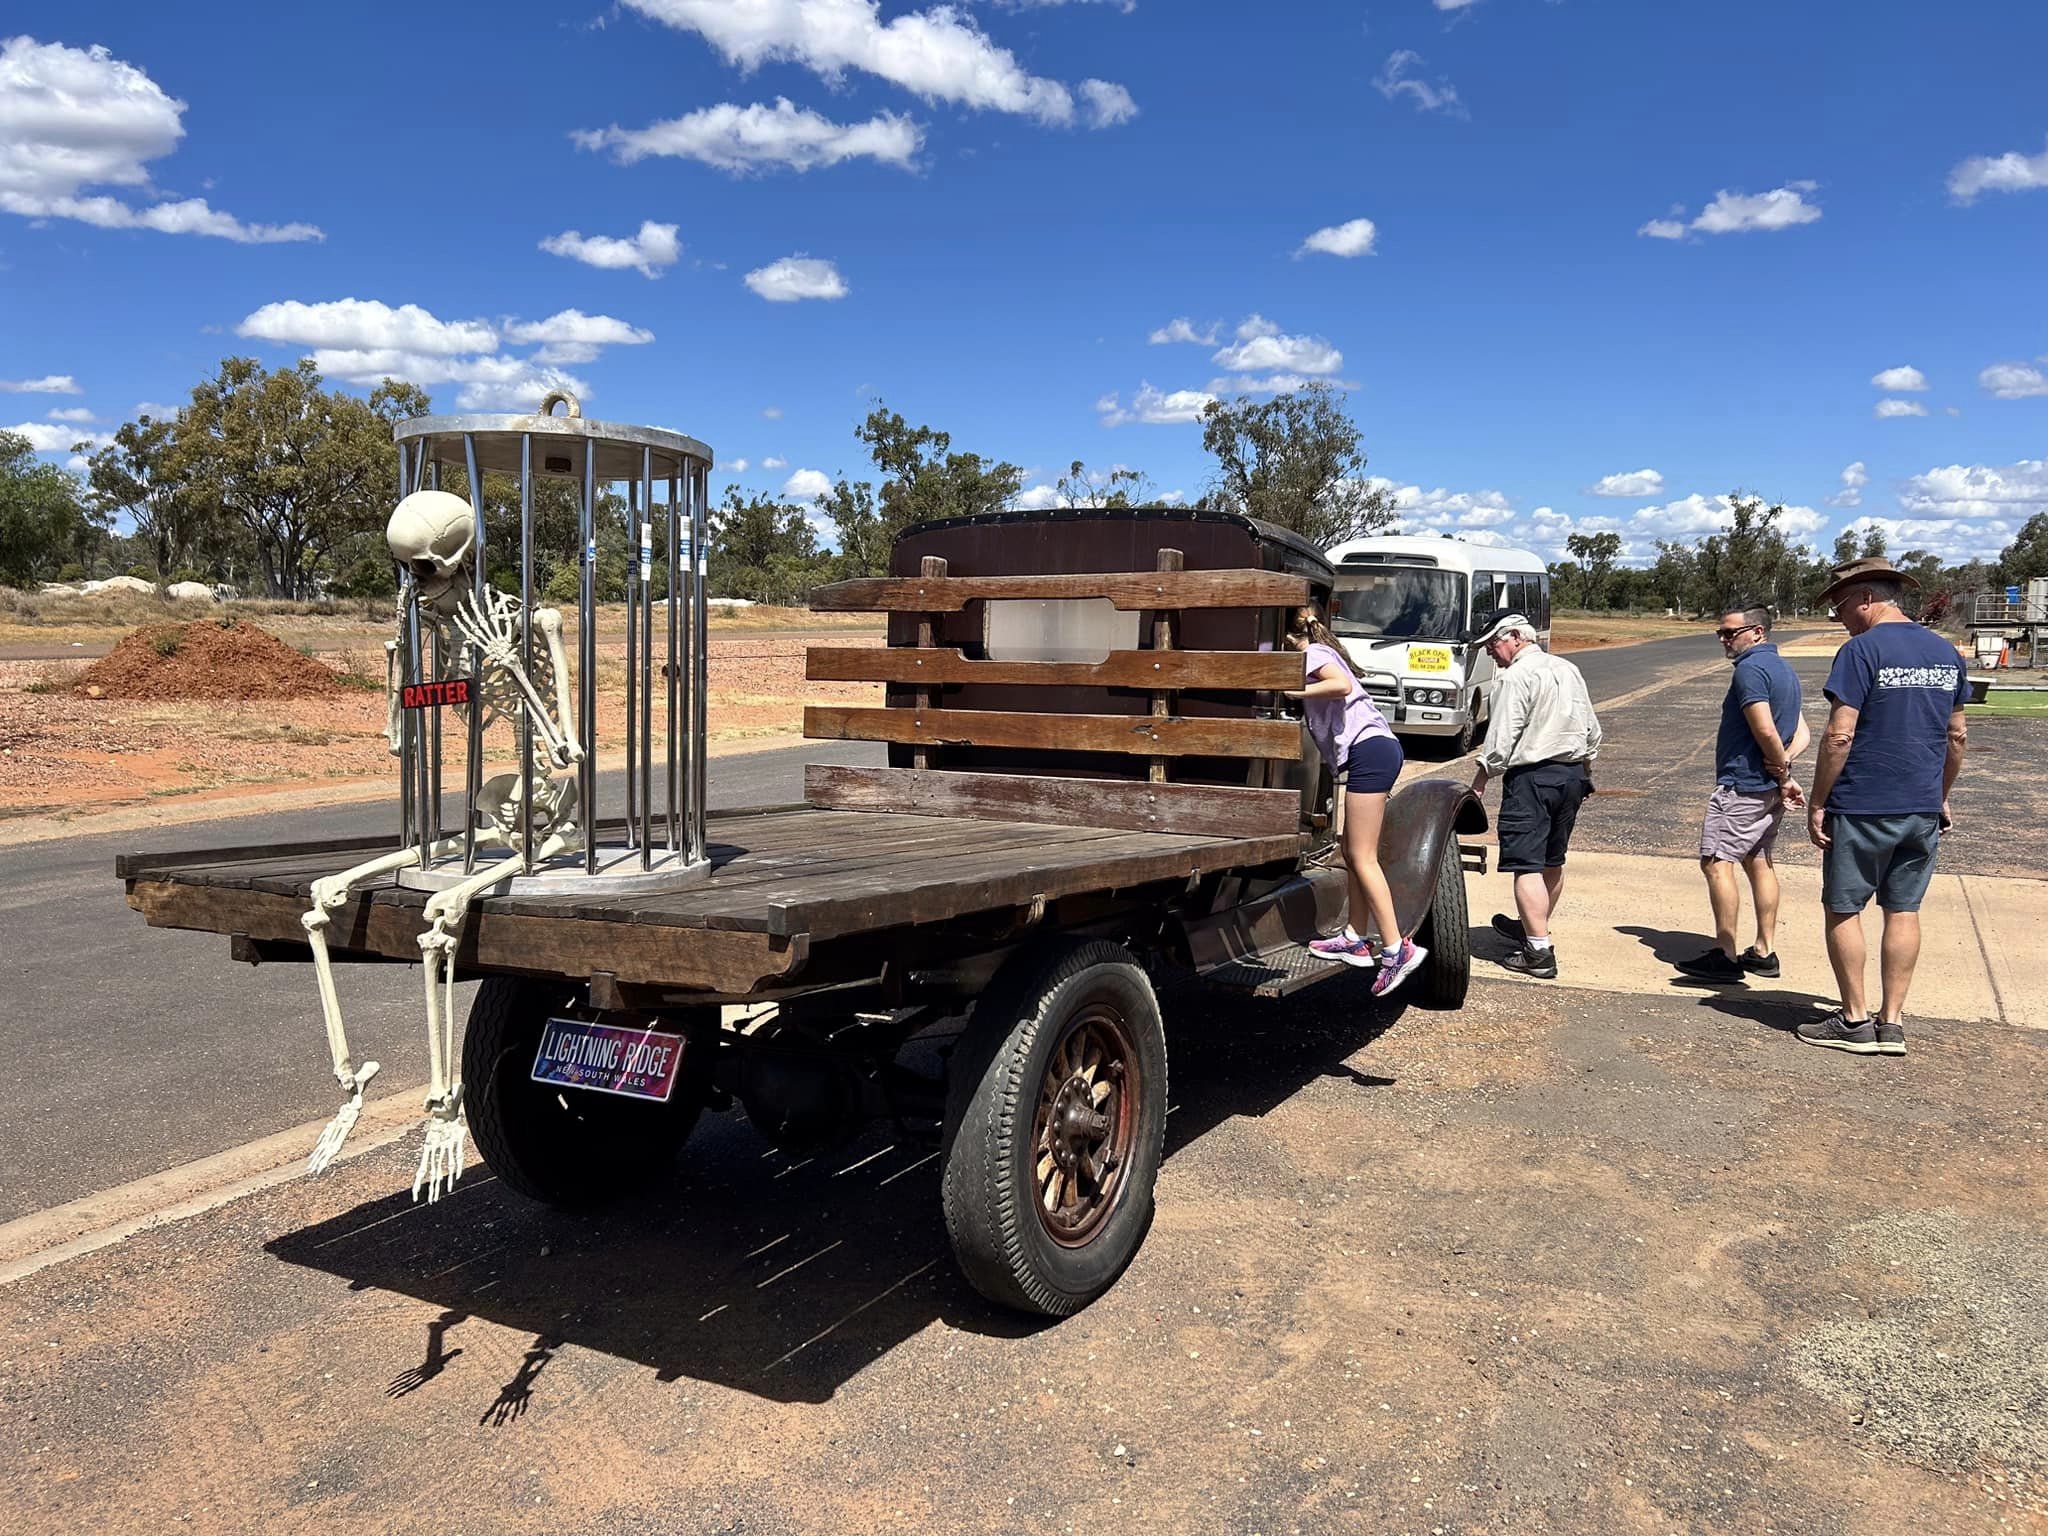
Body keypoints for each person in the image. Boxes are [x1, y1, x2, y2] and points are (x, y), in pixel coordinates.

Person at [1798, 558, 1971, 1056]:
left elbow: (1840, 735)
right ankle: (1891, 1024)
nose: (1840, 618)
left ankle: (1854, 1020)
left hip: (1863, 803)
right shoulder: (1946, 652)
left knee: (1843, 907)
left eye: (1840, 606)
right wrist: (1941, 794)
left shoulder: (1860, 651)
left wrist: (1818, 801)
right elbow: (1957, 735)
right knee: (1903, 910)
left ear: (1866, 597)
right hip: (1921, 807)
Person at [1284, 606, 1428, 997]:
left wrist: (1297, 691)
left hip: (1370, 752)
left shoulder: (1312, 654)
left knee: (1362, 857)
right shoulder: (1323, 650)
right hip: (1375, 751)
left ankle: (1397, 949)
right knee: (1351, 851)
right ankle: (1354, 938)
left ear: (1289, 638)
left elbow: (1340, 686)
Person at [1675, 605, 1811, 982]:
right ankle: (1764, 951)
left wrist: (1781, 771)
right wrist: (1784, 769)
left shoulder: (1749, 670)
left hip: (1743, 785)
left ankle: (1725, 953)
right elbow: (1802, 733)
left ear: (1757, 632)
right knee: (1758, 860)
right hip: (1768, 788)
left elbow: (1765, 729)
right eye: (1720, 633)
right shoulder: (1784, 669)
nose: (1723, 639)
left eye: (1730, 633)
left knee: (1716, 862)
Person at [1468, 612, 1603, 979]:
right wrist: (1586, 773)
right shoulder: (1567, 669)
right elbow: (1591, 729)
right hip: (1572, 776)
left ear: (1515, 637)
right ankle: (1532, 925)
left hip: (1533, 777)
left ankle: (1538, 952)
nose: (1490, 652)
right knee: (1552, 859)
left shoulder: (1515, 677)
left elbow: (1502, 737)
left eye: (1493, 644)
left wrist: (1480, 780)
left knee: (1526, 863)